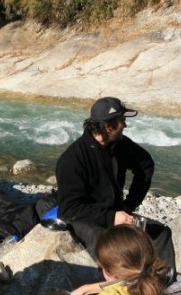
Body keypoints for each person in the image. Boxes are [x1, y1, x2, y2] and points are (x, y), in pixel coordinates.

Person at [55, 96, 173, 264]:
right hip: (85, 221)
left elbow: (146, 165)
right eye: (122, 121)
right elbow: (68, 210)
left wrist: (128, 205)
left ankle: (164, 281)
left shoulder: (121, 145)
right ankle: (113, 284)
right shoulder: (72, 160)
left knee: (161, 233)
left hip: (115, 213)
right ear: (108, 127)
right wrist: (111, 217)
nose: (125, 125)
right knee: (105, 242)